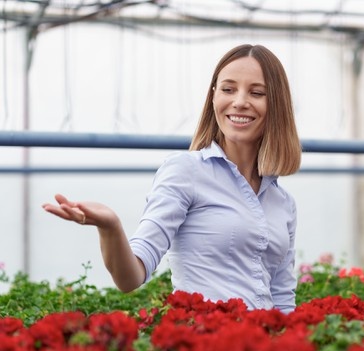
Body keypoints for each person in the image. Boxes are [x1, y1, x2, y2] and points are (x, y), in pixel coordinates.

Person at [42, 44, 302, 314]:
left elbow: (283, 299)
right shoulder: (186, 171)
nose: (239, 101)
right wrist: (110, 227)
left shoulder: (283, 202)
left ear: (276, 104)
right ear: (213, 97)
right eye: (228, 89)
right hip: (205, 342)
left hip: (266, 347)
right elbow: (131, 276)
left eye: (256, 93)